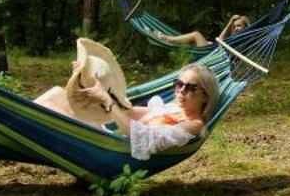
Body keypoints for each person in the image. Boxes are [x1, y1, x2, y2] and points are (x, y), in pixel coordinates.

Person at [84, 62, 220, 161]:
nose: (182, 90)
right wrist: (89, 78)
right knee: (63, 96)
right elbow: (129, 113)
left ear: (206, 96)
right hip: (106, 140)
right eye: (179, 84)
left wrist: (108, 100)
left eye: (191, 87)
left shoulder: (194, 125)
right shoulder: (172, 108)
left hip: (113, 153)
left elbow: (138, 134)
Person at [160, 13, 250, 48]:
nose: (236, 28)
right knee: (189, 42)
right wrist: (230, 23)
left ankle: (169, 39)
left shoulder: (242, 39)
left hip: (212, 54)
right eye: (234, 27)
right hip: (212, 48)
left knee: (196, 35)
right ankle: (170, 41)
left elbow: (220, 40)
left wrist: (230, 23)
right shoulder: (234, 36)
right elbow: (220, 39)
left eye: (239, 26)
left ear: (245, 27)